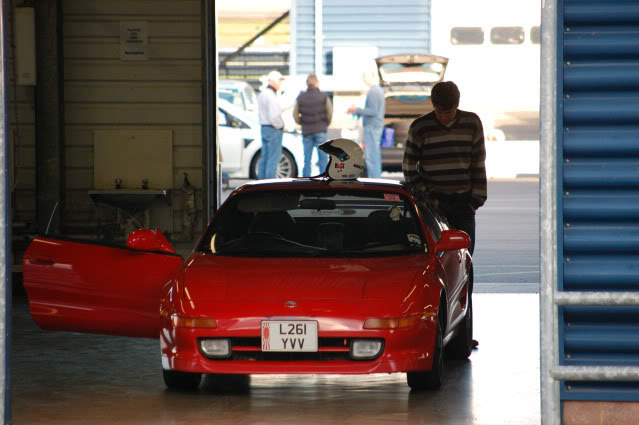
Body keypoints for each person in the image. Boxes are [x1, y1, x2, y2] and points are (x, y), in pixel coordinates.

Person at [403, 81, 486, 349]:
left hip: (463, 205)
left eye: (448, 112)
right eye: (439, 112)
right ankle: (439, 331)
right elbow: (409, 169)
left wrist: (475, 200)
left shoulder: (472, 124)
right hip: (433, 208)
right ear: (433, 105)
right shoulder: (420, 127)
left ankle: (462, 334)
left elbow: (478, 161)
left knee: (464, 267)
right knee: (437, 267)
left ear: (457, 105)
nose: (444, 117)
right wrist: (429, 198)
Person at [347, 70, 385, 178]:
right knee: (375, 156)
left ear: (371, 77)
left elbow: (372, 111)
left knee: (371, 158)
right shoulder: (379, 90)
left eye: (364, 76)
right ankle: (377, 180)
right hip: (376, 126)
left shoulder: (373, 91)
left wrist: (356, 110)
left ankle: (374, 182)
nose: (363, 79)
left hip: (372, 127)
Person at [293, 74, 333, 176]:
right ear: (316, 83)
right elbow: (330, 112)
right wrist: (325, 123)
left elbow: (295, 115)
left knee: (307, 159)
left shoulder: (301, 97)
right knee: (323, 158)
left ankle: (306, 182)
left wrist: (302, 122)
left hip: (306, 131)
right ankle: (324, 180)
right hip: (321, 130)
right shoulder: (323, 96)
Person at [257, 70, 286, 179]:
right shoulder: (271, 95)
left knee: (264, 157)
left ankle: (260, 183)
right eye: (279, 81)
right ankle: (269, 184)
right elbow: (274, 116)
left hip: (264, 128)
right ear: (273, 81)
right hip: (273, 129)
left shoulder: (262, 94)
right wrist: (281, 126)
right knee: (273, 159)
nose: (280, 83)